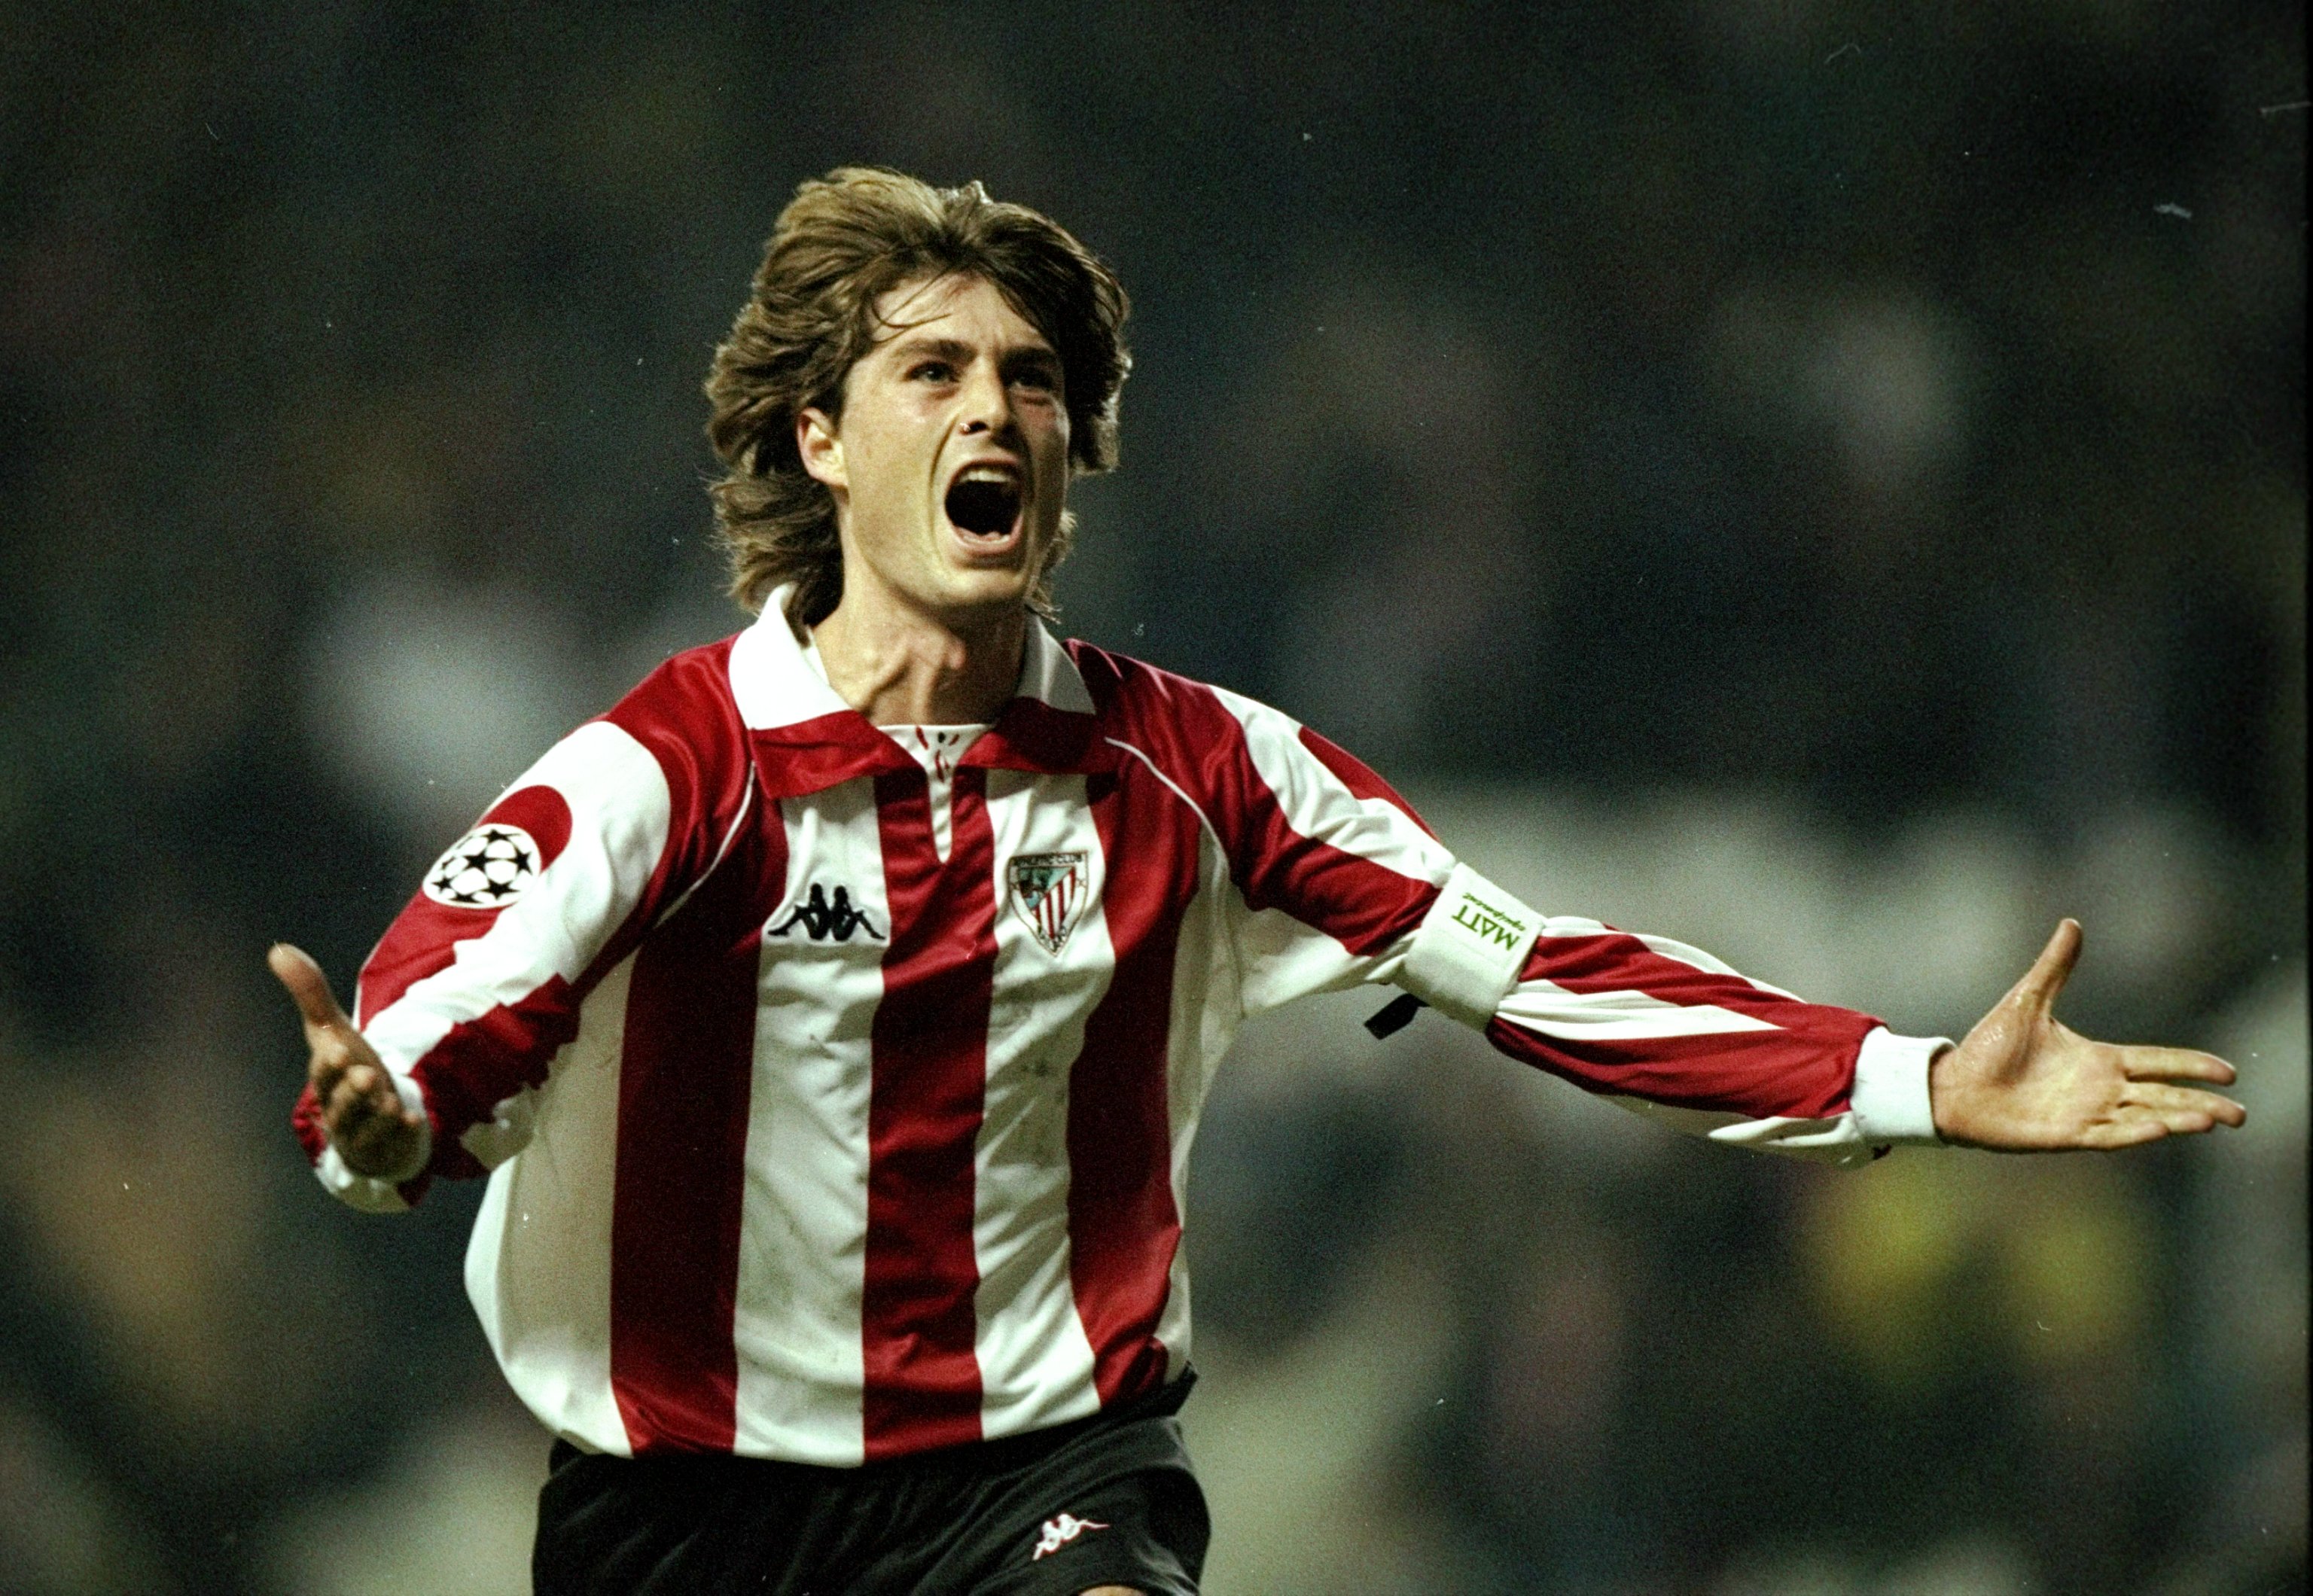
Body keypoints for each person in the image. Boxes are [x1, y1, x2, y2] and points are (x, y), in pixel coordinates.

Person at [270, 167, 2244, 1596]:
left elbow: (1532, 963)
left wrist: (1904, 1079)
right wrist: (376, 1121)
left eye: (1032, 378)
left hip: (1038, 1478)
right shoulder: (660, 774)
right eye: (932, 370)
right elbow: (440, 1015)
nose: (992, 410)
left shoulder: (1208, 770)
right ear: (820, 440)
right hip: (686, 1509)